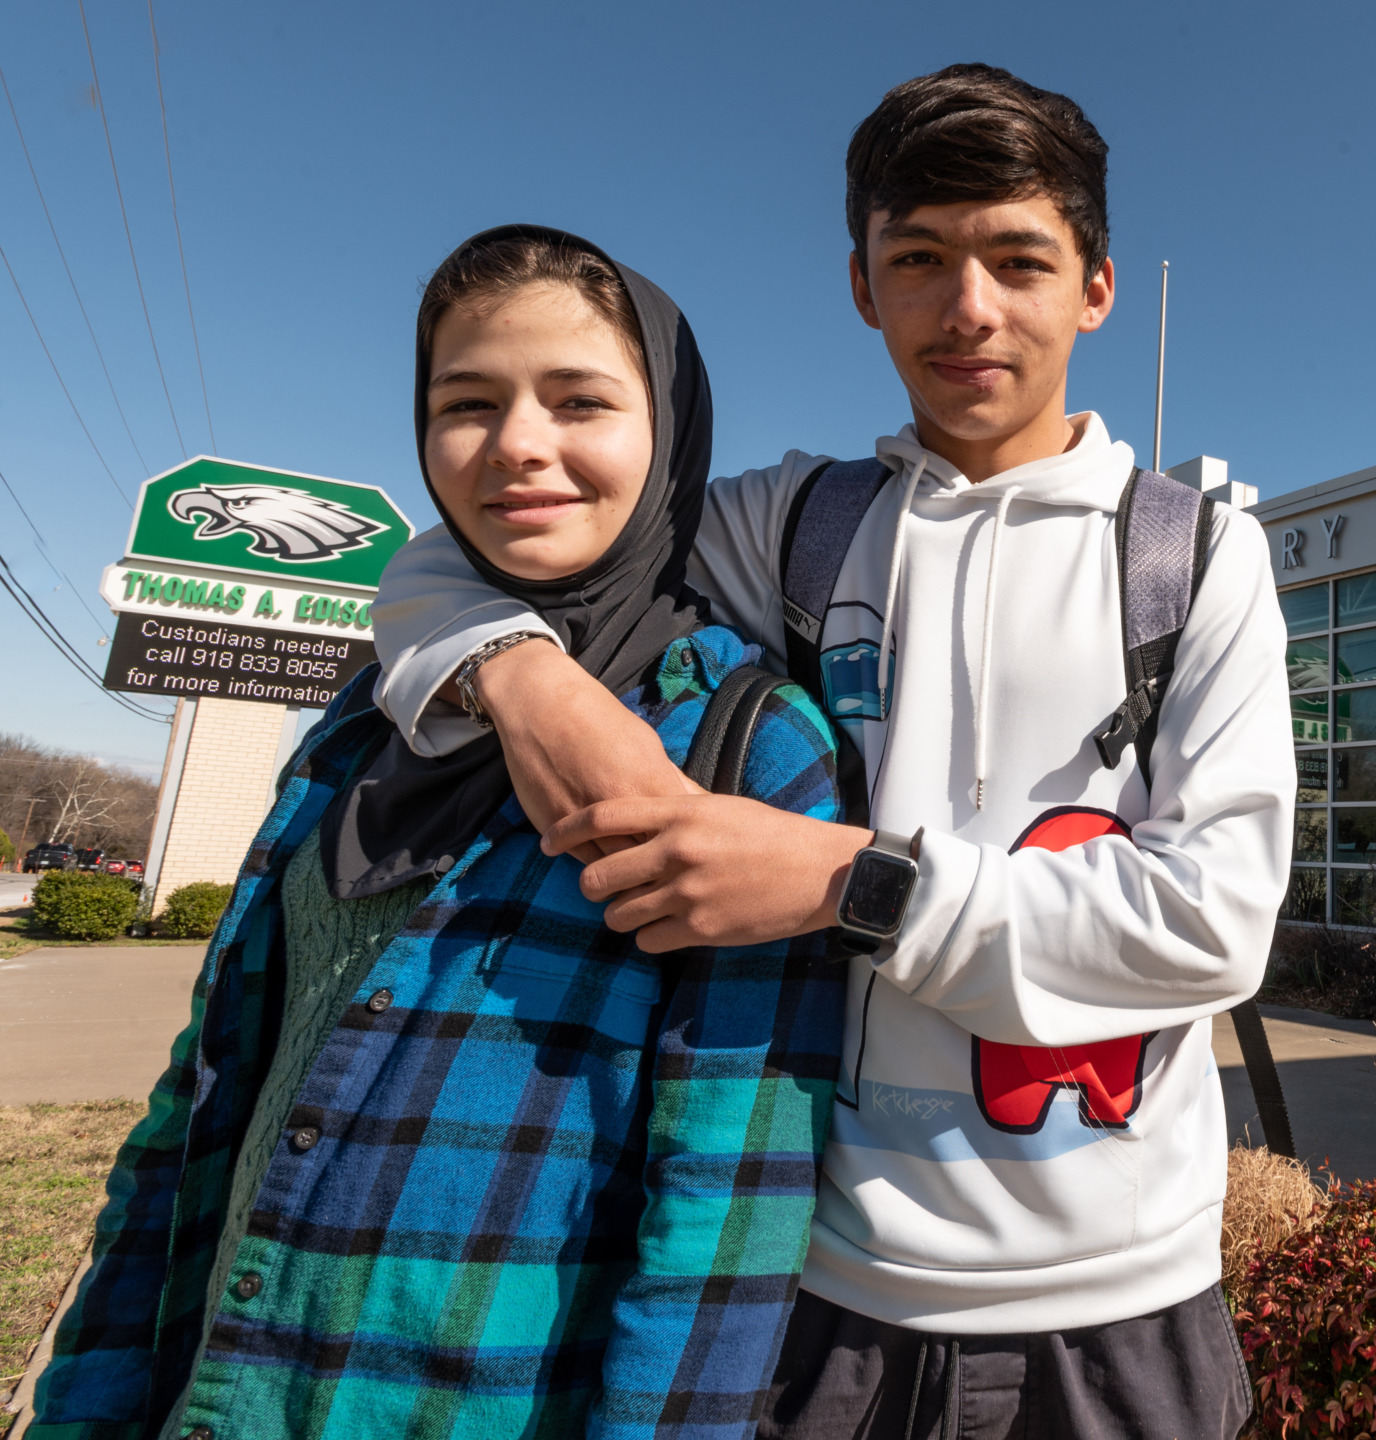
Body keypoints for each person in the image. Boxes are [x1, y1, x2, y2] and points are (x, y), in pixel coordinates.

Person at [361, 67, 1294, 1440]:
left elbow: (1212, 926)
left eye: (1019, 261)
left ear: (1095, 289)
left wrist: (847, 882)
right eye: (917, 259)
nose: (967, 308)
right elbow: (467, 547)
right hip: (817, 1295)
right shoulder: (790, 522)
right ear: (862, 285)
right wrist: (524, 678)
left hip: (1125, 1310)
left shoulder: (1192, 550)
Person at [30, 227, 848, 1440]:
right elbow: (197, 1101)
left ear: (668, 436)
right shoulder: (370, 711)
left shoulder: (741, 743)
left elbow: (721, 1219)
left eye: (580, 401)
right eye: (467, 401)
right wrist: (88, 1402)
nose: (518, 444)